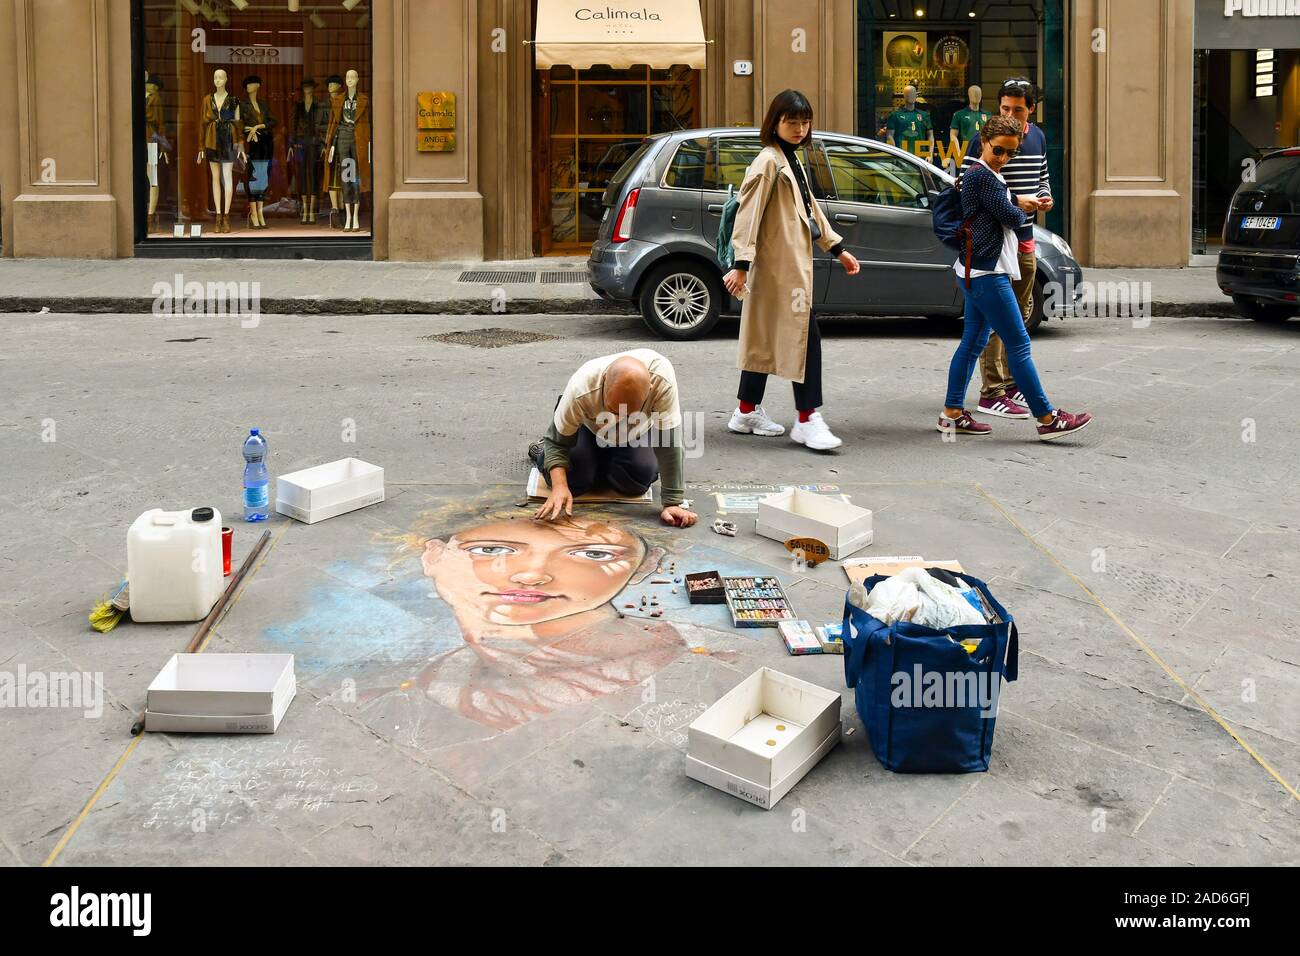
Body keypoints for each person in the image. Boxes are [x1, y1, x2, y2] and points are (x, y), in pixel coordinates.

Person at [376, 514, 686, 732]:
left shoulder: (657, 665)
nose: (532, 574)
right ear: (432, 557)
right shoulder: (442, 678)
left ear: (646, 564)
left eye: (592, 554)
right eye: (490, 550)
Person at [722, 89, 860, 451]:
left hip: (783, 268)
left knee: (764, 337)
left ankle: (746, 410)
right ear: (775, 123)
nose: (800, 128)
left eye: (804, 121)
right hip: (777, 271)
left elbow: (810, 209)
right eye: (792, 121)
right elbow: (747, 215)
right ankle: (806, 418)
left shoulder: (788, 158)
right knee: (805, 339)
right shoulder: (768, 161)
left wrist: (837, 248)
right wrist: (741, 265)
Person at [939, 115, 1092, 441]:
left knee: (973, 342)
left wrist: (1020, 203)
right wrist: (1024, 204)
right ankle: (1047, 418)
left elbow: (1007, 210)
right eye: (999, 150)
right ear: (983, 143)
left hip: (974, 269)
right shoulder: (982, 176)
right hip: (987, 274)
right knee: (1019, 343)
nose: (1004, 158)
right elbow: (1010, 216)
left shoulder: (987, 175)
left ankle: (952, 413)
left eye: (1011, 153)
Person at [960, 77, 1054, 419]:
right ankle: (993, 390)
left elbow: (1043, 174)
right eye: (1004, 108)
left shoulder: (1039, 137)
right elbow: (967, 185)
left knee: (1016, 316)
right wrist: (1018, 201)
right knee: (995, 321)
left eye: (1017, 109)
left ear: (1031, 109)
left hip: (1025, 237)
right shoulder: (984, 139)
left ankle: (1013, 387)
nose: (1010, 114)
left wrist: (1044, 196)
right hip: (994, 242)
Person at [529, 349, 697, 528]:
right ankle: (543, 451)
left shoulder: (662, 380)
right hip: (587, 430)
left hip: (636, 433)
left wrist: (672, 502)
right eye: (613, 410)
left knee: (637, 480)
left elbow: (669, 443)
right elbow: (558, 442)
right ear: (603, 382)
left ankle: (598, 462)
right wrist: (559, 486)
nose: (618, 420)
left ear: (650, 390)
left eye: (628, 413)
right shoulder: (582, 386)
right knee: (574, 482)